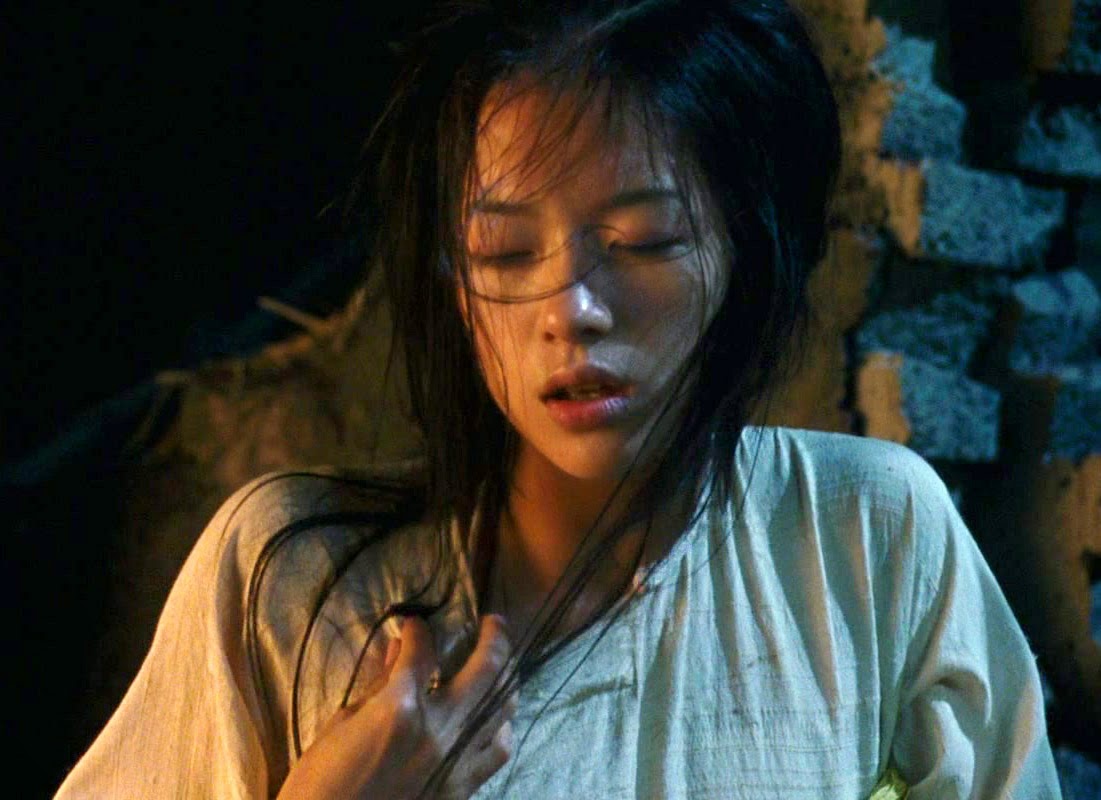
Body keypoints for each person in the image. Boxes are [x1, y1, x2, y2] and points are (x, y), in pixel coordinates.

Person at [56, 1, 1062, 797]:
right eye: (503, 250)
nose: (570, 309)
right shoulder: (291, 579)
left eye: (644, 241)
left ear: (747, 254)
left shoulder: (866, 536)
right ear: (453, 283)